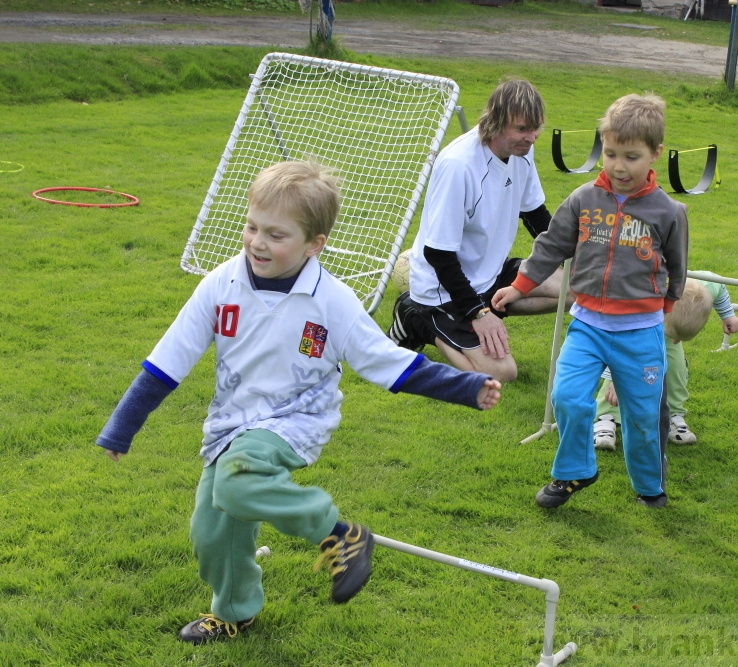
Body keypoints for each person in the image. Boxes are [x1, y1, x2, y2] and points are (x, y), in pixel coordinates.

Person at [96, 161, 502, 644]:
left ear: (314, 244)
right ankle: (235, 611)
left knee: (239, 480)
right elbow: (166, 362)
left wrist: (466, 387)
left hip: (296, 420)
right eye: (251, 227)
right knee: (212, 532)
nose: (257, 242)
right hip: (230, 424)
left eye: (275, 234)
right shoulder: (221, 285)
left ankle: (340, 534)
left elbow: (388, 363)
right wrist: (121, 427)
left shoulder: (333, 302)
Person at [493, 93, 688, 509]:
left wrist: (665, 314)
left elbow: (677, 268)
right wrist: (520, 286)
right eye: (611, 153)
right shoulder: (583, 199)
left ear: (655, 154)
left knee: (641, 417)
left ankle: (650, 488)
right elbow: (550, 245)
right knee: (566, 397)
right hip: (587, 326)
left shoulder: (669, 211)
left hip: (641, 332)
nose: (618, 166)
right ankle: (575, 471)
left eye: (631, 156)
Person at [387, 78, 566, 383]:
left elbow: (534, 214)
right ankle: (419, 320)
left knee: (576, 289)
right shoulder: (459, 165)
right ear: (496, 123)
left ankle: (483, 312)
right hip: (442, 289)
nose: (533, 137)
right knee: (503, 374)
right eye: (522, 129)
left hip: (489, 274)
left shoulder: (521, 151)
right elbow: (438, 253)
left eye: (536, 127)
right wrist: (478, 314)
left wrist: (572, 258)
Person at [592, 277, 738, 451]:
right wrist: (614, 379)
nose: (677, 341)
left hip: (665, 329)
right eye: (675, 336)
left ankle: (672, 414)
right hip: (636, 330)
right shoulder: (642, 296)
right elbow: (618, 344)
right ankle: (606, 418)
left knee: (676, 370)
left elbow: (720, 287)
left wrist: (728, 314)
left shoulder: (706, 286)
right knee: (623, 374)